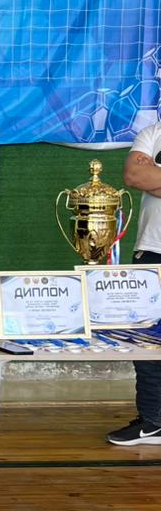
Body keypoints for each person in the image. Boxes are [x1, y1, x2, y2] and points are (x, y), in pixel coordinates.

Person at [112, 124, 161, 445]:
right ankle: (154, 420)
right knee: (146, 341)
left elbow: (148, 177)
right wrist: (147, 176)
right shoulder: (153, 132)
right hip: (151, 250)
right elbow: (134, 176)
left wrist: (154, 175)